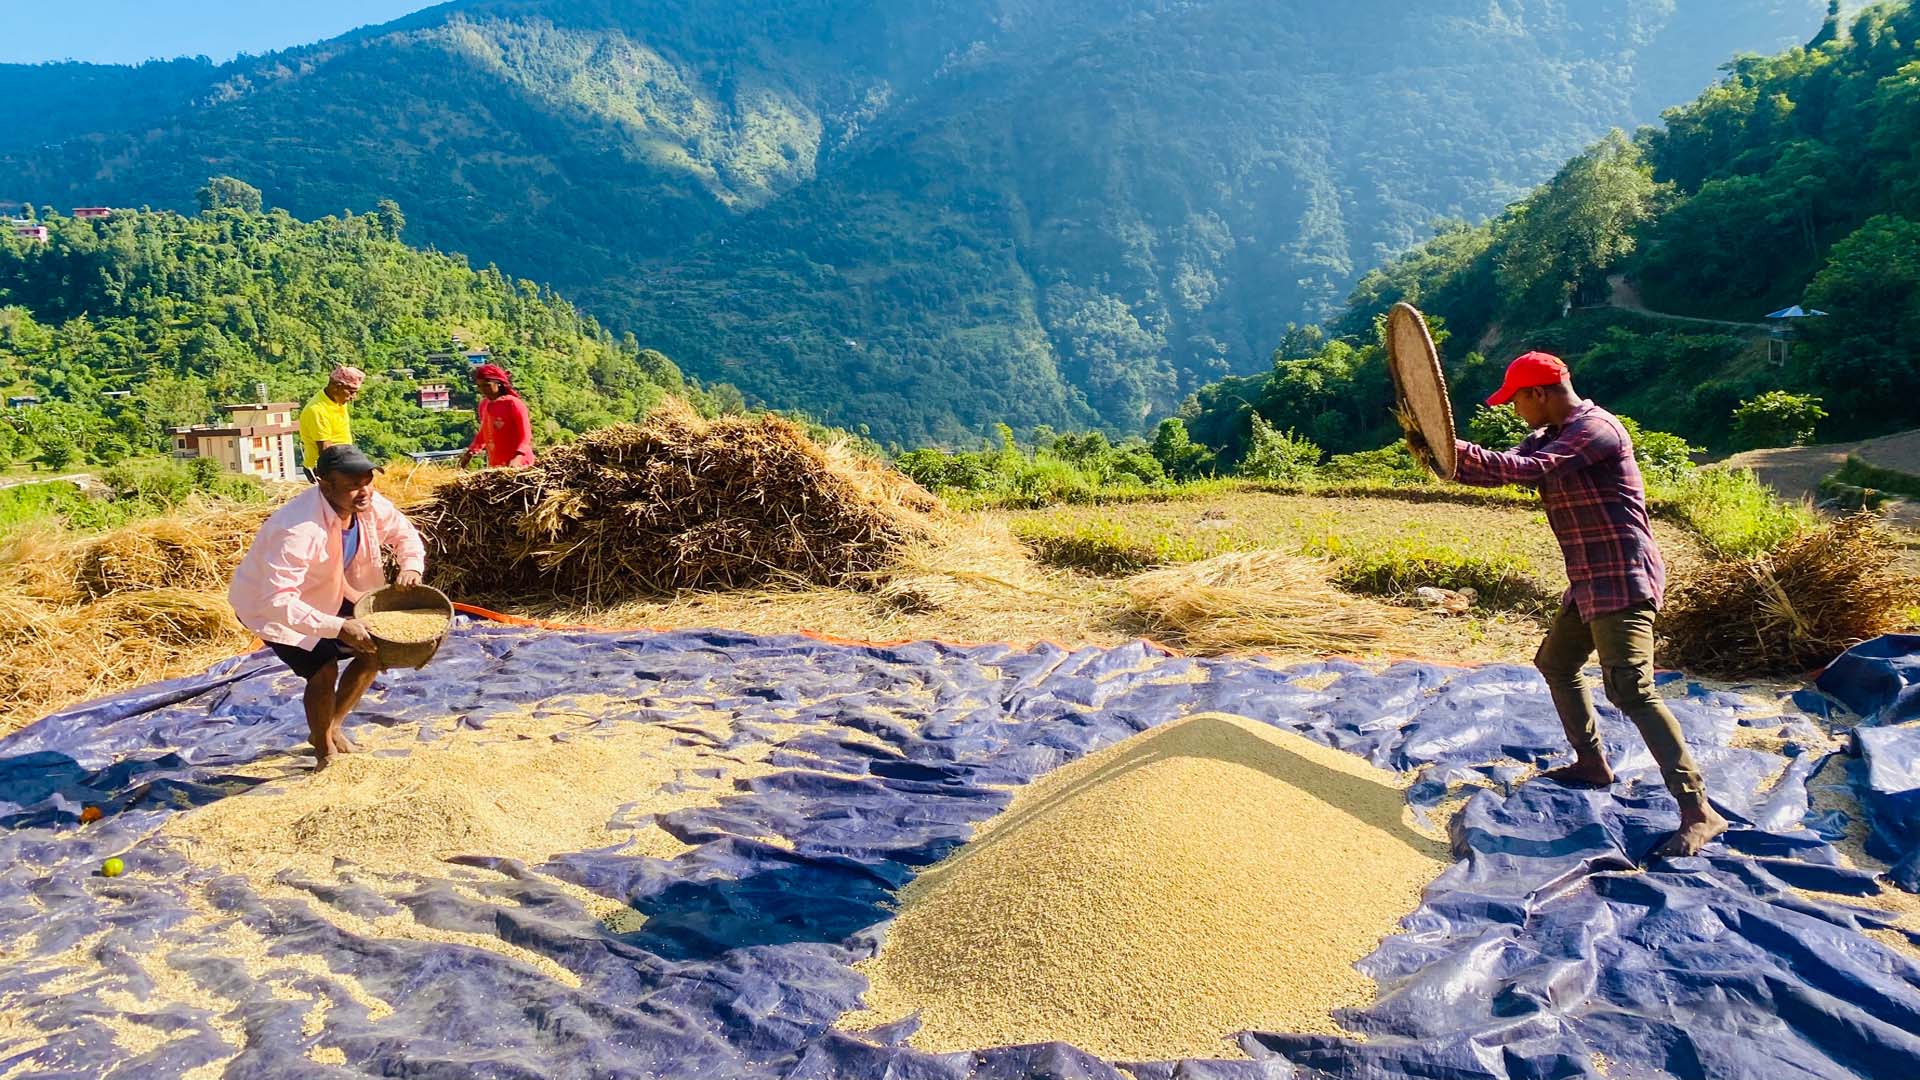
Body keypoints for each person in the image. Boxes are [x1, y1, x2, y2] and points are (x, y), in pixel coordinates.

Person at [1444, 351, 1728, 858]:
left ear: (1538, 394)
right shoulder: (1548, 434)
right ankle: (1592, 763)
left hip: (1621, 574)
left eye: (1515, 401)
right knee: (1555, 662)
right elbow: (1504, 470)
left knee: (1632, 690)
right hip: (1588, 579)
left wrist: (1453, 446)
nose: (1514, 411)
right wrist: (1440, 454)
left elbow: (1531, 467)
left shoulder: (1596, 431)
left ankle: (1698, 810)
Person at [229, 444, 426, 769]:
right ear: (324, 483)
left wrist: (411, 567)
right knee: (323, 671)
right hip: (272, 607)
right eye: (352, 485)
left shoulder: (369, 504)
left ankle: (330, 727)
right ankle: (324, 752)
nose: (363, 492)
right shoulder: (298, 529)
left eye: (367, 481)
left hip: (333, 589)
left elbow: (405, 535)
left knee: (372, 653)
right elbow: (277, 600)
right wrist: (338, 627)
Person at [457, 363, 535, 469]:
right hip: (497, 466)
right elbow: (484, 432)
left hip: (519, 465)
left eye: (486, 385)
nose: (483, 390)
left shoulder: (513, 403)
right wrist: (471, 452)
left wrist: (518, 457)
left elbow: (526, 434)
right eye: (479, 386)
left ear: (498, 383)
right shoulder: (483, 404)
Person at [299, 366, 365, 480]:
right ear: (336, 387)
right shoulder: (317, 410)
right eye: (351, 392)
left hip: (342, 460)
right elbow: (325, 452)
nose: (353, 397)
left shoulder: (337, 399)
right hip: (324, 468)